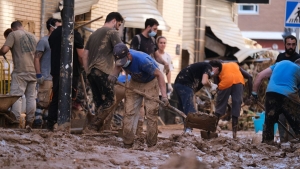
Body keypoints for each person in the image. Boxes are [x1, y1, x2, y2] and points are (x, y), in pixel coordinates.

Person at [109, 43, 168, 148]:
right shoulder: (120, 59)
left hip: (150, 82)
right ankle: (128, 142)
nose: (122, 65)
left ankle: (151, 144)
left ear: (129, 55)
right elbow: (117, 66)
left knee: (151, 113)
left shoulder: (143, 61)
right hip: (135, 82)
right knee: (129, 112)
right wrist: (113, 75)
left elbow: (159, 74)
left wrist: (164, 96)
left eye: (123, 62)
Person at [82, 12, 124, 131]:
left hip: (91, 72)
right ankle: (93, 126)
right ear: (114, 21)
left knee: (99, 101)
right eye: (119, 24)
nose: (118, 28)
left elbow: (85, 55)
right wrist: (118, 70)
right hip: (104, 71)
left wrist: (87, 71)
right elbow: (121, 52)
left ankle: (100, 128)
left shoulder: (93, 34)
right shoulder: (112, 33)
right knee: (111, 100)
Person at [48, 13, 84, 130]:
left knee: (56, 96)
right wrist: (83, 66)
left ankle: (51, 123)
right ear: (73, 18)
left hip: (56, 71)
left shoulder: (54, 34)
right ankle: (65, 123)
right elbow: (81, 55)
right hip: (71, 72)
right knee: (69, 97)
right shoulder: (75, 34)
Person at [252, 59, 300, 144]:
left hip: (271, 93)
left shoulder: (279, 64)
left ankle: (267, 143)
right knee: (297, 122)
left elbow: (259, 75)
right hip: (288, 95)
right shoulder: (298, 69)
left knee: (269, 123)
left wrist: (254, 94)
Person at [0, 21, 37, 127]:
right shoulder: (33, 36)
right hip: (33, 71)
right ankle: (29, 123)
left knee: (16, 97)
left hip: (20, 71)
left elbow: (4, 50)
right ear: (21, 27)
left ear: (12, 29)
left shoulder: (12, 34)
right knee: (31, 97)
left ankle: (15, 121)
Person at [174, 61, 220, 134]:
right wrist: (211, 85)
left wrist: (200, 102)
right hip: (185, 84)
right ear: (216, 68)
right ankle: (188, 130)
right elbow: (205, 82)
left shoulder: (199, 74)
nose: (213, 76)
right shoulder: (208, 66)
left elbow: (193, 94)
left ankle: (186, 129)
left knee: (185, 108)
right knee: (189, 108)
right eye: (216, 74)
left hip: (178, 84)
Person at [211, 60, 252, 139]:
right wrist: (250, 96)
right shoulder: (234, 64)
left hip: (225, 82)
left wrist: (221, 101)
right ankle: (234, 135)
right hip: (239, 82)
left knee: (219, 109)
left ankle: (212, 132)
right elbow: (250, 77)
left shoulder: (218, 69)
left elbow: (217, 87)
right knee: (236, 110)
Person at [33, 17, 61, 128]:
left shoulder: (58, 42)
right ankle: (37, 123)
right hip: (46, 76)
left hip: (55, 76)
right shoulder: (44, 41)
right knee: (42, 101)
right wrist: (39, 74)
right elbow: (36, 58)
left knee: (51, 102)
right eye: (58, 27)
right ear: (51, 27)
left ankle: (46, 125)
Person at [275, 35, 300, 142]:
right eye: (289, 44)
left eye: (293, 44)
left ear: (296, 45)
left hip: (294, 93)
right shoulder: (280, 57)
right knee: (281, 118)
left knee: (293, 118)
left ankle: (292, 142)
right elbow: (275, 73)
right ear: (285, 45)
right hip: (280, 92)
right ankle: (283, 141)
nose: (291, 47)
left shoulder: (298, 59)